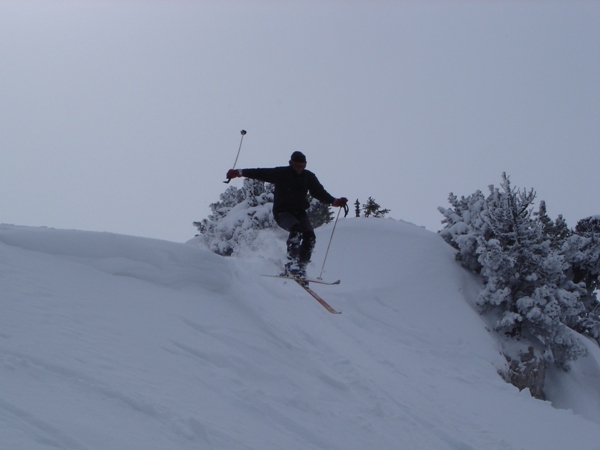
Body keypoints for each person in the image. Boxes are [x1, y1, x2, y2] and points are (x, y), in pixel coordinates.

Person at [226, 151, 347, 279]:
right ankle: (292, 264)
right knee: (296, 229)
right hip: (282, 212)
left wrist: (334, 201)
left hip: (299, 212)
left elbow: (319, 192)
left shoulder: (308, 177)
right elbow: (261, 173)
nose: (299, 169)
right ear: (291, 163)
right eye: (296, 165)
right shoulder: (281, 173)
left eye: (302, 166)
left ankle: (301, 267)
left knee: (310, 236)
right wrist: (240, 172)